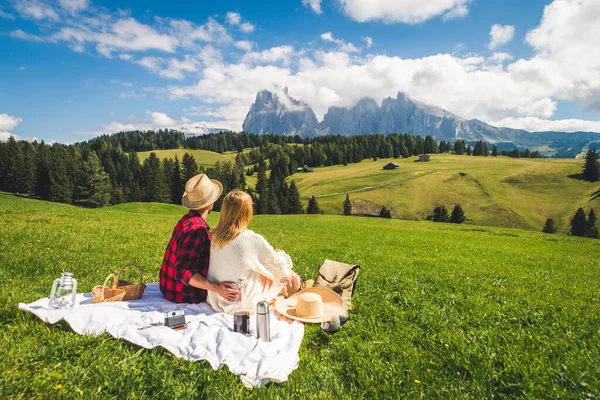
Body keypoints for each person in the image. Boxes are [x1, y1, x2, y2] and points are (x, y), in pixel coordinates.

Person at [207, 190, 300, 314]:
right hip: (241, 302)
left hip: (216, 299)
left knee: (259, 266)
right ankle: (299, 285)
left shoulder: (214, 237)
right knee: (281, 273)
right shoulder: (250, 239)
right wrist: (283, 255)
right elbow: (278, 266)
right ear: (247, 212)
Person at [159, 174, 239, 303]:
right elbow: (183, 272)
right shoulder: (197, 230)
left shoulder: (186, 220)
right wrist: (217, 288)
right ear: (210, 204)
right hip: (181, 294)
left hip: (167, 286)